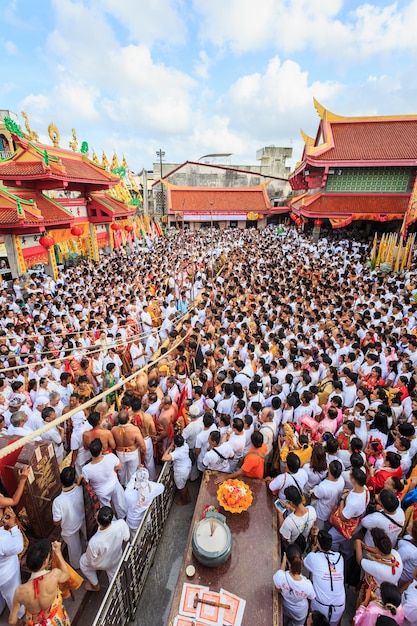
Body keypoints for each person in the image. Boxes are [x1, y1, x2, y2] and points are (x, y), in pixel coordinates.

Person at [9, 539, 69, 626]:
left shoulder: (20, 591)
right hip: (56, 620)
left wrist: (21, 623)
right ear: (45, 562)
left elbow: (12, 620)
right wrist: (58, 552)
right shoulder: (54, 575)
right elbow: (66, 575)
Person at [79, 506, 129, 591]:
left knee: (83, 562)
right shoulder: (121, 524)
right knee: (115, 582)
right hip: (117, 557)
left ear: (98, 522)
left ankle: (95, 584)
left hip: (103, 563)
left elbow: (90, 559)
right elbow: (126, 538)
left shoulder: (94, 542)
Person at [303, 530, 345, 626]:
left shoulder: (314, 558)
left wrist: (313, 551)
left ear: (318, 543)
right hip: (338, 607)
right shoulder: (340, 558)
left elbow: (306, 562)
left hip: (320, 606)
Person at [82, 438, 127, 519]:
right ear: (101, 449)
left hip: (101, 491)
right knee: (120, 504)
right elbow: (120, 466)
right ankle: (122, 518)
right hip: (114, 484)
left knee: (106, 511)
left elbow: (86, 483)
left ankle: (112, 522)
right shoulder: (110, 457)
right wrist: (110, 469)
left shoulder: (86, 469)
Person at [52, 466, 86, 569]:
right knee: (88, 539)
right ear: (75, 477)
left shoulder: (58, 501)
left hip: (69, 528)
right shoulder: (81, 489)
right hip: (83, 520)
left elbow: (57, 522)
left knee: (74, 550)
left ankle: (77, 566)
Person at [273, 543, 315, 626]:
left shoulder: (279, 576)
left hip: (285, 607)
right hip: (300, 613)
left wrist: (283, 562)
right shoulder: (308, 585)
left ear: (286, 559)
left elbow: (278, 589)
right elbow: (311, 598)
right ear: (302, 560)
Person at [124, 467, 165, 540]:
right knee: (146, 534)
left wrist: (135, 473)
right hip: (146, 518)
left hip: (133, 521)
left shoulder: (128, 494)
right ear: (148, 478)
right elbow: (162, 487)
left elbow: (130, 483)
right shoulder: (152, 488)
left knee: (135, 539)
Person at [0, 509, 25, 625]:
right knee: (13, 596)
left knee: (3, 594)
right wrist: (14, 526)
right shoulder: (2, 539)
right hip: (7, 575)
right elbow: (18, 547)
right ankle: (18, 616)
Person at [111, 410, 146, 487]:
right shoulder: (134, 429)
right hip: (132, 453)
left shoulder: (114, 429)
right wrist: (144, 450)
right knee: (132, 471)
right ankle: (131, 487)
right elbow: (142, 444)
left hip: (120, 453)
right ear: (128, 419)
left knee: (121, 471)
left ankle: (123, 485)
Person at [278, 485, 317, 552]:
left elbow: (284, 537)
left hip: (292, 547)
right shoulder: (312, 510)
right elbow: (302, 515)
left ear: (290, 502)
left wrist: (280, 513)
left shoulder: (289, 521)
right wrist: (291, 508)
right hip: (304, 541)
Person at [162, 434, 192, 505]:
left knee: (181, 487)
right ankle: (188, 497)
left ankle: (184, 500)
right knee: (184, 484)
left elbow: (164, 458)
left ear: (175, 444)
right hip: (187, 466)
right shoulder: (185, 445)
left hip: (181, 472)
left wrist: (169, 448)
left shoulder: (177, 453)